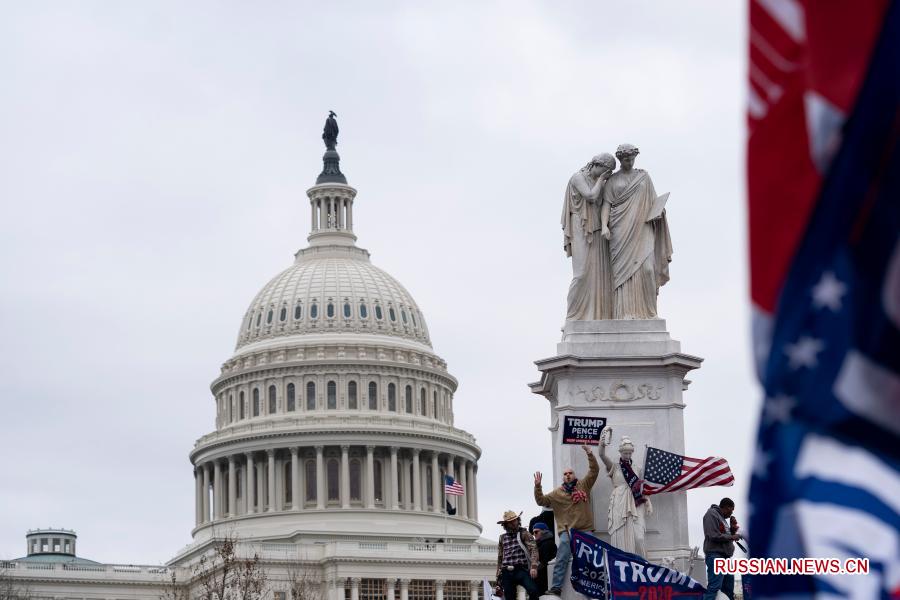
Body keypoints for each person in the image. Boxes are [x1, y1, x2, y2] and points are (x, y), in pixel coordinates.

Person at [600, 144, 673, 319]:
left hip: (643, 227)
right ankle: (625, 313)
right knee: (623, 275)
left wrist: (659, 212)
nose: (629, 162)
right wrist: (604, 226)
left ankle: (649, 313)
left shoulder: (644, 178)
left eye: (632, 159)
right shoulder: (612, 181)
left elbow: (653, 201)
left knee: (647, 269)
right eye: (626, 160)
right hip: (620, 230)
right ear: (620, 160)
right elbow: (606, 205)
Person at [534, 444, 600, 596]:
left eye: (570, 473)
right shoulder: (556, 494)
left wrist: (590, 453)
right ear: (563, 477)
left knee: (591, 560)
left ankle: (594, 587)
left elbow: (594, 471)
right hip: (567, 531)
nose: (568, 475)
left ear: (574, 475)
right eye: (565, 474)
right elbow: (541, 501)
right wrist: (538, 486)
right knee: (562, 557)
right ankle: (556, 587)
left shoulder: (583, 486)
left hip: (585, 530)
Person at [562, 154, 616, 320]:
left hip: (597, 227)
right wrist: (601, 180)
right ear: (595, 165)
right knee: (581, 273)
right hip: (581, 225)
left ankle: (597, 315)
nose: (606, 174)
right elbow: (591, 197)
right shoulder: (578, 177)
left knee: (599, 273)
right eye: (605, 170)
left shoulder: (602, 181)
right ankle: (572, 316)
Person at [598, 434, 652, 557]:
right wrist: (602, 444)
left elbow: (642, 487)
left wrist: (648, 501)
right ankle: (622, 563)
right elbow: (601, 455)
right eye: (625, 453)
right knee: (620, 536)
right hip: (619, 502)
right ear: (620, 452)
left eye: (629, 453)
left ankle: (642, 564)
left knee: (639, 538)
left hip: (635, 502)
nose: (627, 456)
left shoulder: (637, 469)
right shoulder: (615, 467)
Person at [494, 510, 540, 600]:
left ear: (518, 520)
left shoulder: (524, 533)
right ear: (506, 525)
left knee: (533, 591)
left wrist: (534, 566)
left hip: (521, 569)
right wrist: (498, 576)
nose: (513, 523)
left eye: (514, 521)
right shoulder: (502, 537)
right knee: (509, 597)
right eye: (510, 522)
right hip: (506, 571)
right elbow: (500, 557)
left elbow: (533, 549)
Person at [703, 498, 740, 600]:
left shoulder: (722, 519)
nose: (731, 513)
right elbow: (713, 535)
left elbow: (725, 538)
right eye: (731, 510)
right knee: (714, 588)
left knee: (728, 589)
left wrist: (732, 530)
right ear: (726, 507)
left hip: (725, 557)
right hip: (716, 556)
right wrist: (732, 536)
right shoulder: (711, 514)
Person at [531, 523, 558, 595]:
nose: (534, 534)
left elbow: (545, 561)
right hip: (540, 579)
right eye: (533, 532)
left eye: (536, 532)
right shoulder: (538, 545)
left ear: (544, 531)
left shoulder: (548, 543)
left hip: (545, 580)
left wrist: (534, 569)